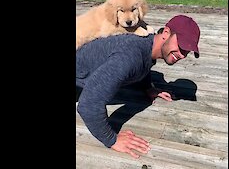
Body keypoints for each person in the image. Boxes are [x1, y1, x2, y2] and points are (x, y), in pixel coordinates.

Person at [76, 15, 200, 158]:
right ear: (166, 33)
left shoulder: (148, 46)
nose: (183, 55)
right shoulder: (129, 56)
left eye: (188, 51)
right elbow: (88, 105)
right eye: (181, 46)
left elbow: (143, 64)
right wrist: (112, 139)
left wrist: (148, 88)